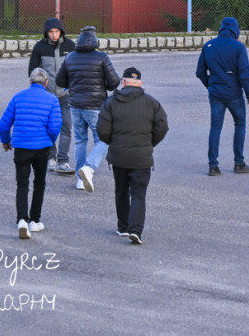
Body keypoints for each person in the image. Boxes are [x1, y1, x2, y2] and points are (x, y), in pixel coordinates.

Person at [97, 67, 169, 245]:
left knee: (121, 192)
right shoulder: (152, 103)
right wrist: (149, 143)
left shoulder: (111, 102)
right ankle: (136, 230)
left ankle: (123, 227)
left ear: (123, 82)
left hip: (118, 156)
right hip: (142, 157)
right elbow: (162, 128)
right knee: (138, 194)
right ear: (140, 84)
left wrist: (113, 143)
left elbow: (102, 131)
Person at [0, 68, 61, 239]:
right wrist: (49, 140)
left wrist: (6, 141)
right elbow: (55, 127)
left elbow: (3, 124)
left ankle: (22, 221)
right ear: (46, 83)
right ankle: (34, 221)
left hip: (21, 147)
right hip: (42, 148)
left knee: (22, 183)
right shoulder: (52, 100)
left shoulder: (18, 97)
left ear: (30, 81)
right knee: (39, 183)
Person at [56, 26, 120, 192]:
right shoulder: (101, 57)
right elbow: (114, 83)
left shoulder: (70, 57)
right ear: (95, 41)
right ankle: (89, 168)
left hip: (75, 105)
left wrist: (74, 83)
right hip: (96, 105)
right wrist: (102, 84)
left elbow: (60, 81)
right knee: (104, 139)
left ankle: (80, 180)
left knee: (80, 141)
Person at [196, 17, 249, 176]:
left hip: (215, 93)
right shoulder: (238, 47)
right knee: (240, 123)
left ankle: (213, 165)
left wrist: (210, 85)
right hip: (234, 93)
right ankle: (239, 162)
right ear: (235, 30)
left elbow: (200, 72)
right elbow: (244, 75)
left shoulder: (208, 46)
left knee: (216, 127)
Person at [28, 17, 76, 174]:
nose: (54, 35)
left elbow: (76, 69)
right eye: (51, 32)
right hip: (47, 97)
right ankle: (51, 158)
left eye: (56, 32)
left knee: (66, 127)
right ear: (46, 33)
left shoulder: (70, 46)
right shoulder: (39, 47)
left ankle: (63, 161)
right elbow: (33, 72)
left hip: (66, 95)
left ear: (61, 31)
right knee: (49, 128)